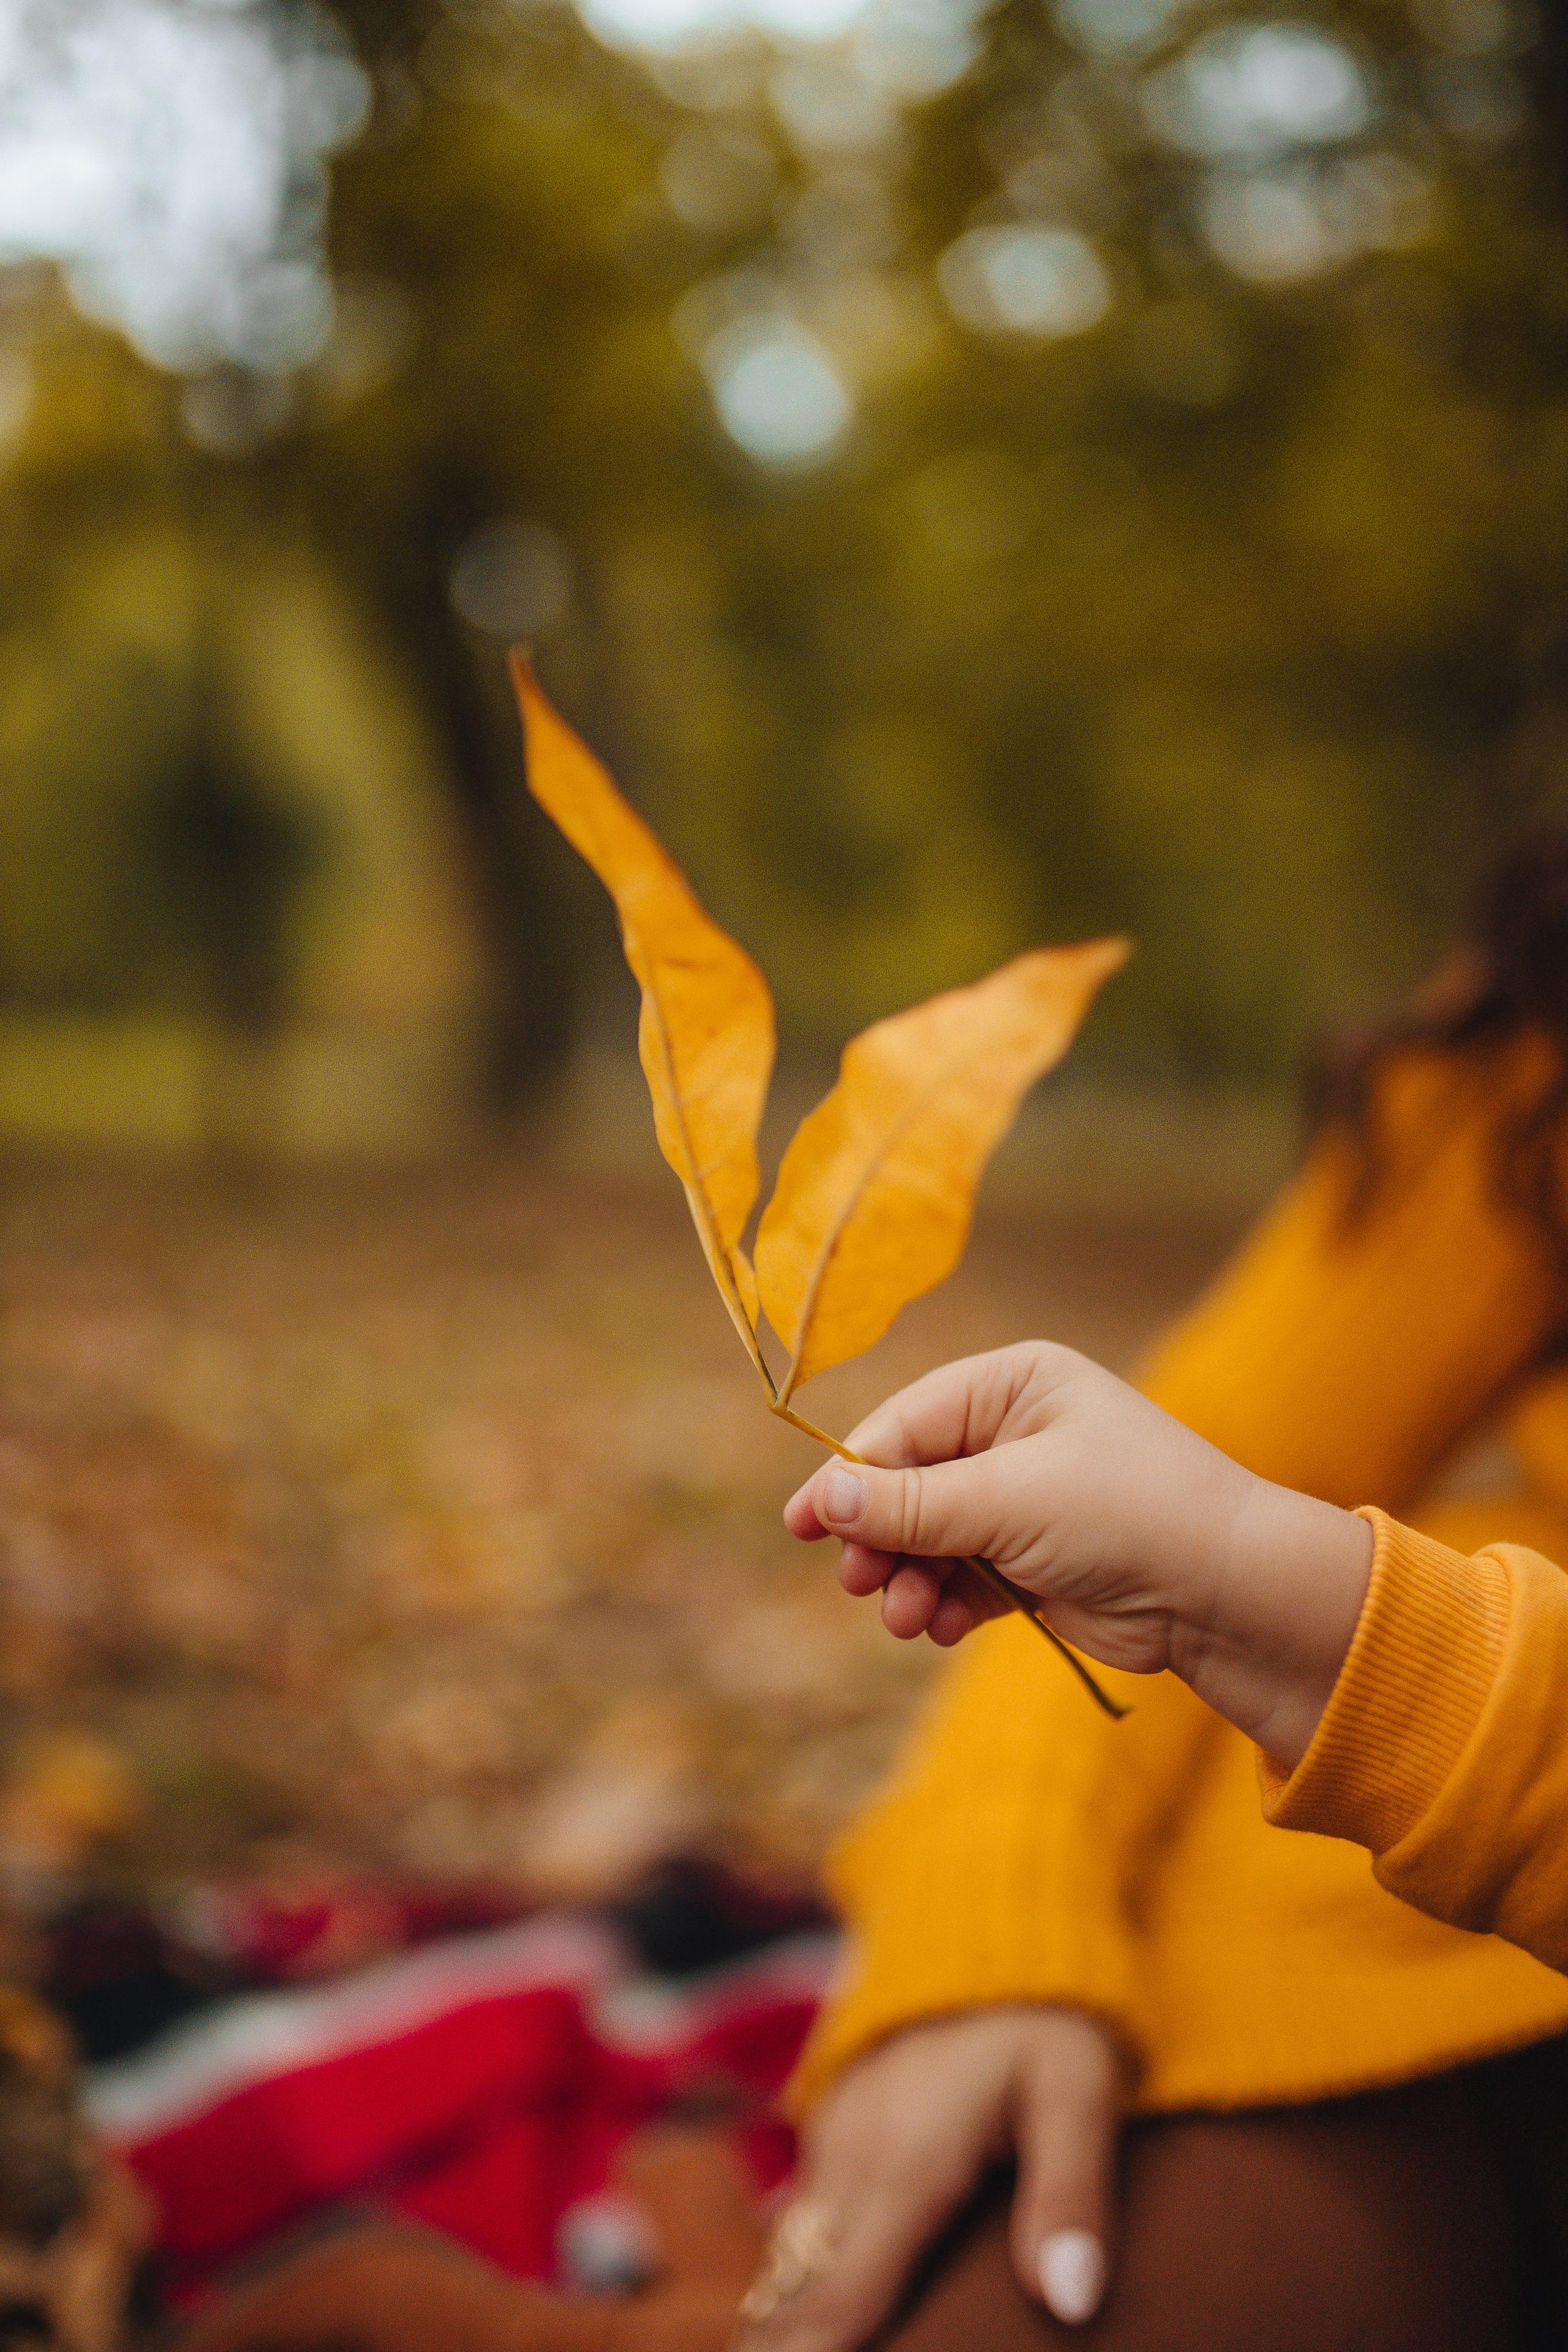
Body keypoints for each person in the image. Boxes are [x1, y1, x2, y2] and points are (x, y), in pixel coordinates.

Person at [735, 828, 1568, 2351]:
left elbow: (1217, 1553)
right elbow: (1182, 1476)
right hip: (1384, 1979)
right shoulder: (1535, 1050)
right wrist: (987, 1930)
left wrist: (1317, 1624)